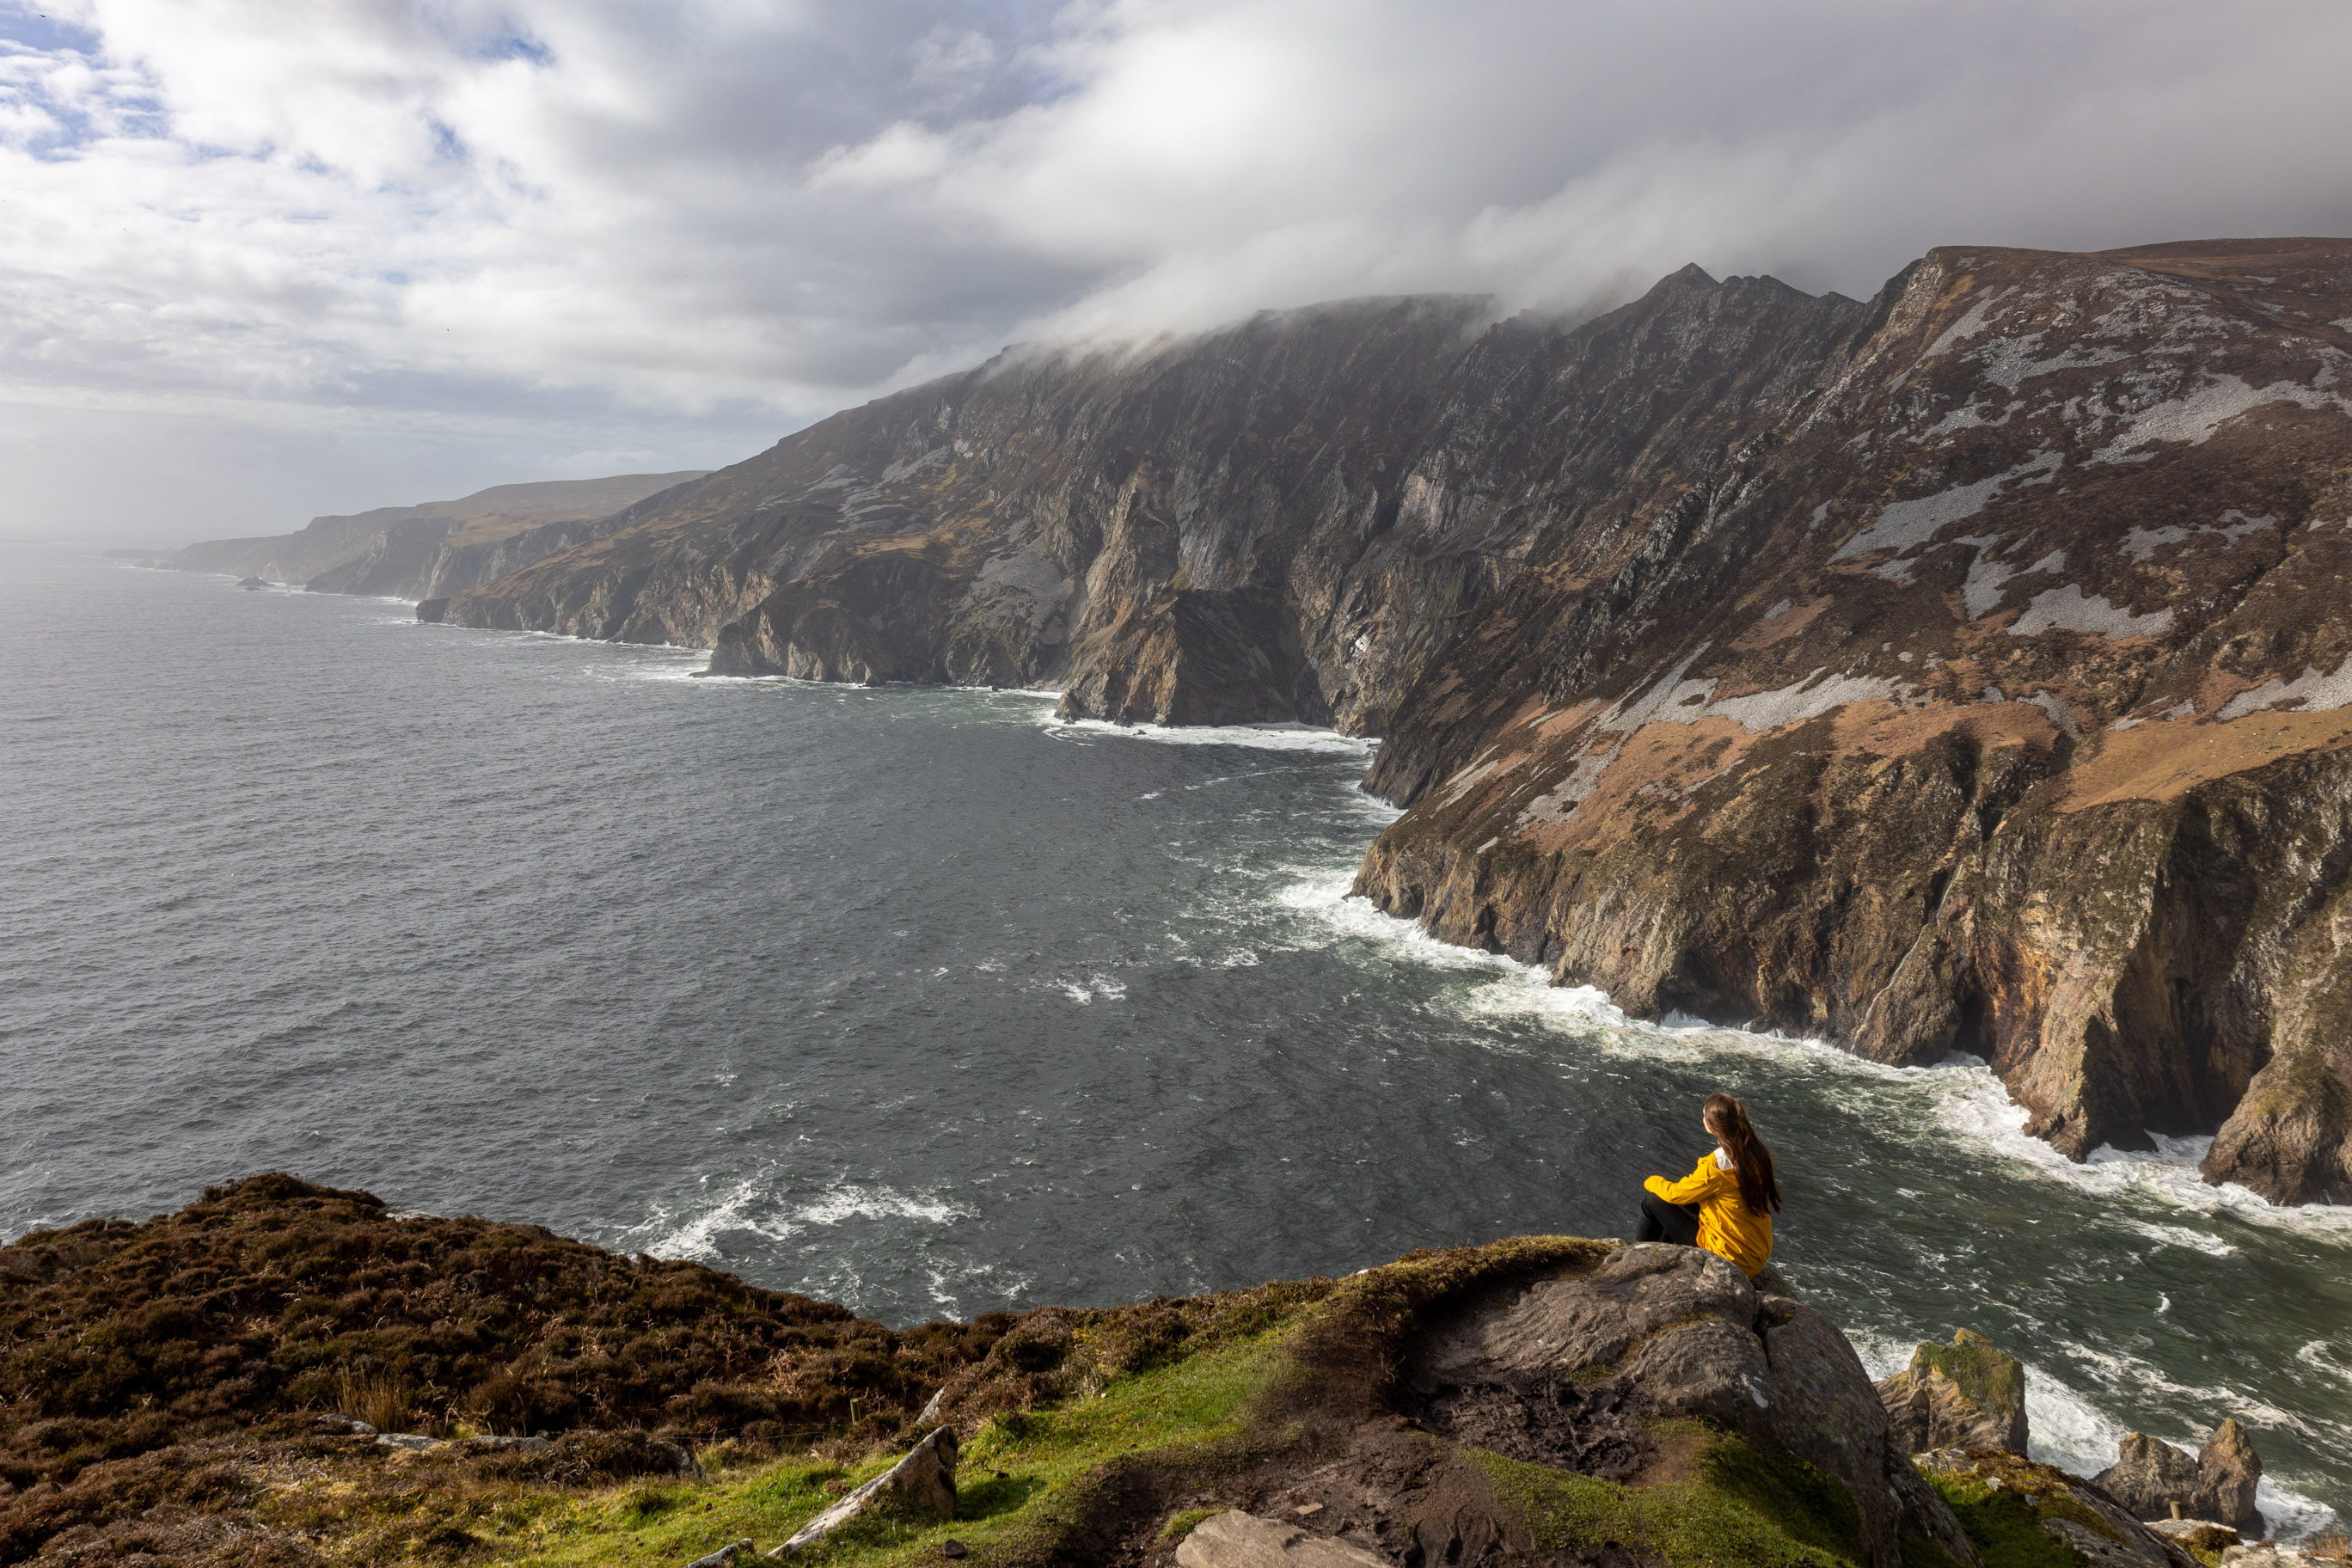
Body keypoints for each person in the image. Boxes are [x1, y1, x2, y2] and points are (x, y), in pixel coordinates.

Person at [1635, 1092, 1781, 1278]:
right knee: (1687, 1204)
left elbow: (1675, 1194)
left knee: (1653, 1201)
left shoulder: (1718, 1166)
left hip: (1730, 1258)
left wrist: (1652, 1181)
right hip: (1754, 1254)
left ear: (1710, 1126)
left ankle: (1637, 1258)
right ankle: (1663, 1256)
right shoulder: (1756, 1152)